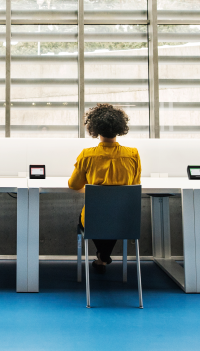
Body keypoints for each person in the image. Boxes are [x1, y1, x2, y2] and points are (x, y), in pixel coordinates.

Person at [68, 103, 141, 274]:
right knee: (114, 216)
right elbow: (134, 184)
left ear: (95, 129)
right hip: (125, 220)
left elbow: (73, 185)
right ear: (120, 128)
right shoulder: (133, 154)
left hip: (95, 219)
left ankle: (103, 256)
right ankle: (103, 257)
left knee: (93, 217)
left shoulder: (87, 154)